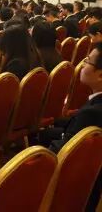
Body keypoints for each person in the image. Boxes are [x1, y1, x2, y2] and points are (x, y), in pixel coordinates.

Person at [46, 43, 102, 211]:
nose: (82, 64)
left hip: (69, 193)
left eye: (88, 60)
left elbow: (62, 156)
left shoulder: (92, 113)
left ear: (100, 75)